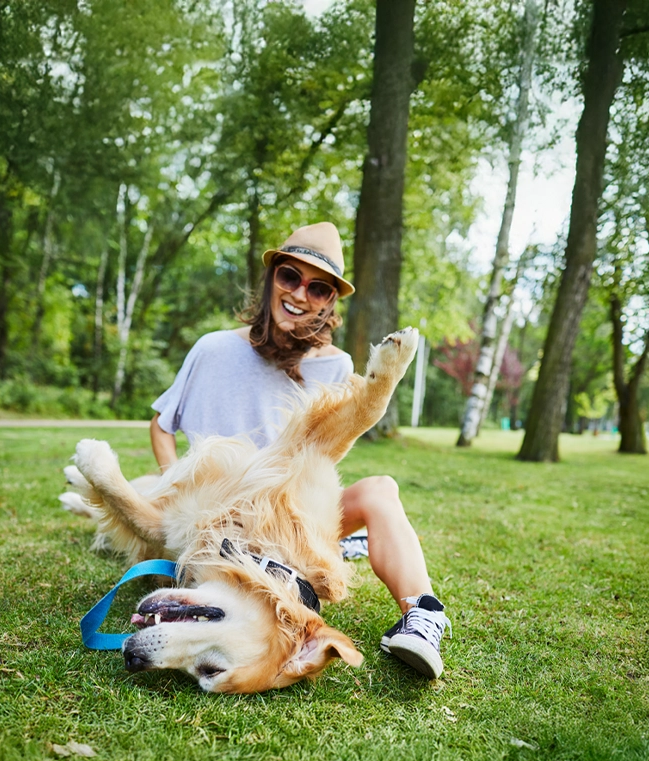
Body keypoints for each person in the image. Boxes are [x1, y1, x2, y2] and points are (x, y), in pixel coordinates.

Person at [149, 223, 449, 678]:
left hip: (290, 515)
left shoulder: (338, 365)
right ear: (272, 277)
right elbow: (161, 424)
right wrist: (172, 488)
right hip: (218, 516)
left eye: (319, 287)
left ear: (329, 302)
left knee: (380, 489)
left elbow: (321, 459)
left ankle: (422, 617)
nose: (300, 294)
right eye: (290, 276)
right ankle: (351, 546)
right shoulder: (213, 349)